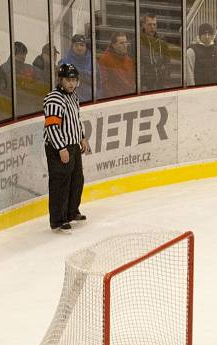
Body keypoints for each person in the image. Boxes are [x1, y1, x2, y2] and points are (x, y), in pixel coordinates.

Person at [43, 63, 89, 233]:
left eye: (74, 80)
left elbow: (76, 119)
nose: (71, 83)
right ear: (60, 80)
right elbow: (52, 127)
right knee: (60, 183)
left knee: (77, 179)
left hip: (74, 145)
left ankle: (71, 212)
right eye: (68, 80)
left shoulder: (73, 96)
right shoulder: (54, 98)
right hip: (59, 147)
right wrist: (61, 148)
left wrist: (82, 137)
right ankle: (58, 220)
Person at [97, 32, 136, 98]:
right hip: (114, 99)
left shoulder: (129, 60)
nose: (125, 45)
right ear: (113, 45)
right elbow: (104, 84)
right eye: (121, 43)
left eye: (126, 42)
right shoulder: (105, 59)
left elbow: (132, 81)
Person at [140, 13, 172, 91]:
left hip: (160, 84)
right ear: (143, 25)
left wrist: (165, 78)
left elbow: (168, 63)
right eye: (149, 24)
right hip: (144, 86)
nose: (152, 27)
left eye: (154, 24)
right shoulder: (137, 42)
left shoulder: (162, 42)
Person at [60, 35, 93, 101]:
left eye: (82, 45)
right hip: (72, 101)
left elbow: (99, 82)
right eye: (76, 45)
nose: (79, 48)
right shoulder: (65, 62)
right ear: (72, 47)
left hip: (91, 99)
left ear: (86, 47)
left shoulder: (93, 61)